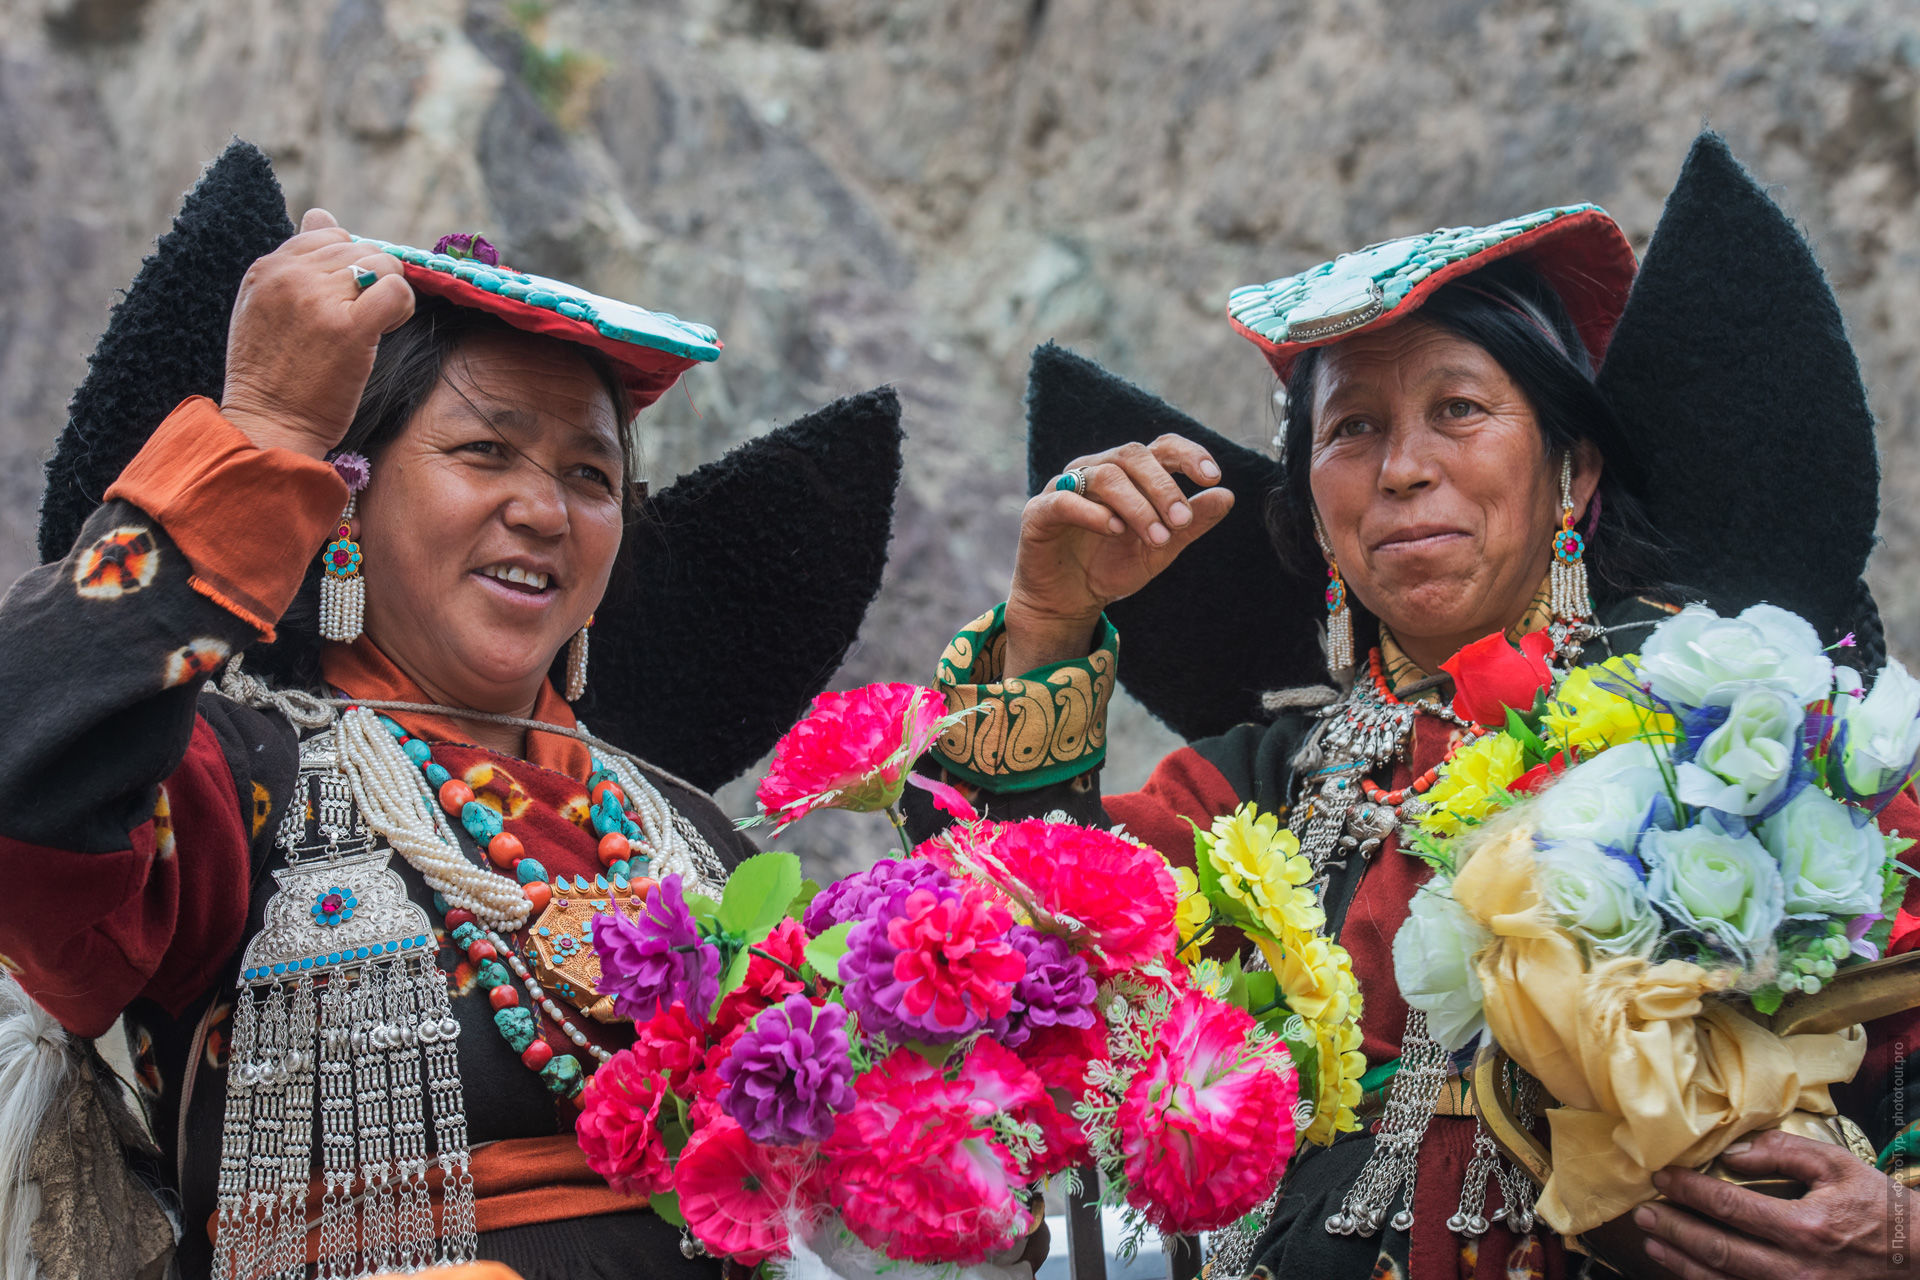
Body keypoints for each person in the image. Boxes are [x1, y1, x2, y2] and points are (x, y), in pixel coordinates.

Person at [916, 132, 1919, 1279]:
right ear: (1314, 501)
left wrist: (1899, 1230)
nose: (1401, 467)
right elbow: (991, 955)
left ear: (1574, 470)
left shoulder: (1736, 731)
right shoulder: (1250, 791)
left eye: (1458, 408)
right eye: (1352, 429)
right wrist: (1047, 620)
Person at [0, 142, 903, 1280]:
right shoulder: (229, 775)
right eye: (485, 451)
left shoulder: (690, 835)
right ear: (346, 500)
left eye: (589, 475)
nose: (544, 508)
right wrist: (267, 429)